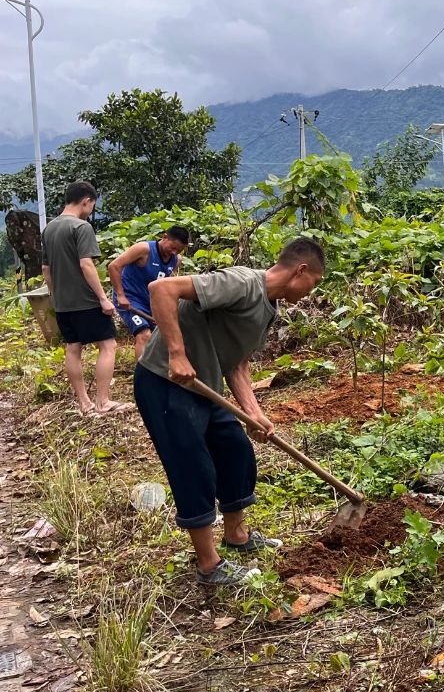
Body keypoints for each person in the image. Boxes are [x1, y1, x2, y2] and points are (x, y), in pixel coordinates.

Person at [134, 238, 326, 586]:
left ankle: (237, 536)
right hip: (165, 382)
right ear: (300, 271)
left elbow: (237, 364)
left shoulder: (269, 307)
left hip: (204, 386)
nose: (311, 292)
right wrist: (177, 353)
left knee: (236, 451)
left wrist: (253, 413)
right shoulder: (242, 283)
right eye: (313, 283)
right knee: (193, 467)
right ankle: (209, 566)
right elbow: (161, 289)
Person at [40, 180, 127, 415]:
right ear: (86, 201)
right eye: (92, 205)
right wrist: (103, 298)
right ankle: (103, 401)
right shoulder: (81, 227)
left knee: (73, 347)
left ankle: (84, 403)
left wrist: (57, 295)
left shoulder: (49, 229)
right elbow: (86, 264)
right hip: (86, 301)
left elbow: (46, 270)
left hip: (63, 303)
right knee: (108, 345)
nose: (91, 210)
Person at [108, 226, 190, 354]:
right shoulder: (144, 249)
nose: (174, 252)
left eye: (179, 250)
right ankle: (140, 368)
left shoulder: (176, 260)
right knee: (144, 335)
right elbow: (114, 266)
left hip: (151, 303)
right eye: (173, 247)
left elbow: (167, 286)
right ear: (165, 237)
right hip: (130, 300)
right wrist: (120, 295)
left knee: (164, 338)